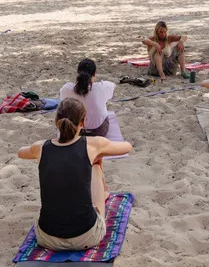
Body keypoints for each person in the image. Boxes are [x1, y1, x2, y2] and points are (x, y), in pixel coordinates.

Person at [18, 98, 133, 250]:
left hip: (47, 238)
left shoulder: (40, 147)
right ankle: (101, 198)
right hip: (87, 237)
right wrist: (99, 153)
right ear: (83, 122)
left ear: (56, 121)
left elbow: (20, 152)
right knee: (96, 166)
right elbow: (127, 147)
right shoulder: (93, 144)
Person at [60, 58, 115, 137]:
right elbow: (114, 86)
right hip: (99, 130)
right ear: (94, 74)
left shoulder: (66, 88)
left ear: (78, 73)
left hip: (75, 129)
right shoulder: (102, 87)